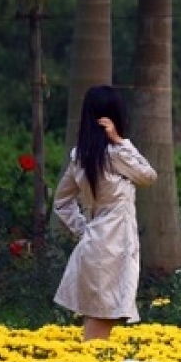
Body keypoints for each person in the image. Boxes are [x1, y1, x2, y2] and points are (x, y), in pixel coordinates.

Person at [54, 85, 157, 340]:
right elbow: (148, 175)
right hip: (112, 248)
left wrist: (86, 231)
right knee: (101, 323)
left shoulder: (83, 156)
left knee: (101, 319)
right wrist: (121, 141)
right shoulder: (115, 154)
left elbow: (62, 201)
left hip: (101, 246)